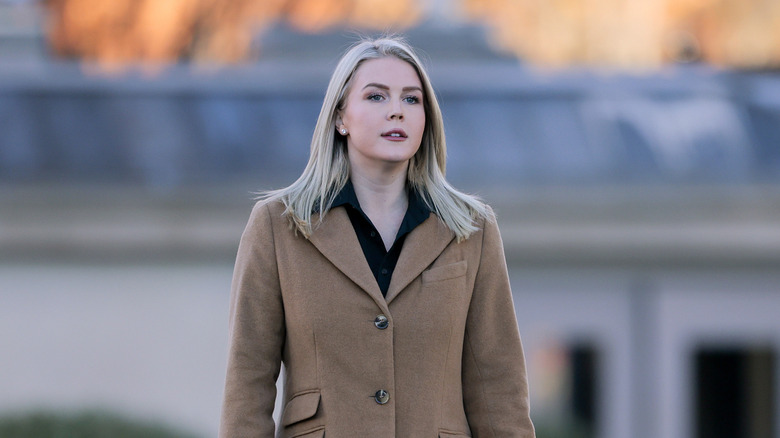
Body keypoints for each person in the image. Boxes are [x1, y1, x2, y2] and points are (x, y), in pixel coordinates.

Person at [220, 36, 535, 438]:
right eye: (376, 97)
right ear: (340, 117)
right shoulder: (277, 226)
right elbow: (248, 382)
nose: (396, 112)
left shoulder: (471, 229)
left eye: (411, 99)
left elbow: (498, 387)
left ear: (427, 118)